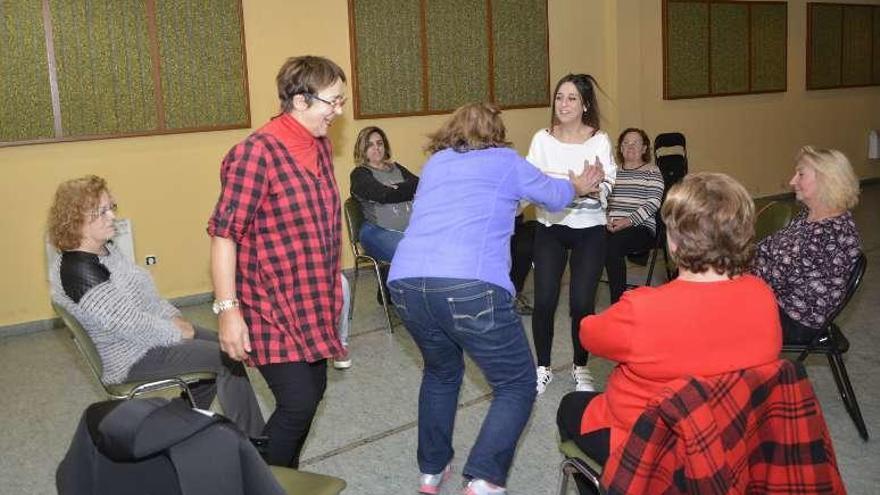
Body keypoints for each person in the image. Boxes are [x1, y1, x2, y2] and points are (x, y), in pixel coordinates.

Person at [387, 102, 601, 495]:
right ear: (496, 132)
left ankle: (431, 472)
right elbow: (554, 195)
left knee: (440, 372)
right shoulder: (504, 160)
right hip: (469, 285)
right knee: (517, 383)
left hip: (406, 283)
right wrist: (579, 185)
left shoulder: (436, 163)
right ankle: (484, 478)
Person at [556, 173, 781, 494]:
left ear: (674, 242)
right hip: (730, 440)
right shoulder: (762, 296)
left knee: (570, 407)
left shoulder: (645, 308)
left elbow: (588, 334)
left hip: (651, 448)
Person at [207, 55, 347, 469]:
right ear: (301, 101)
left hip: (312, 300)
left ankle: (277, 475)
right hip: (268, 304)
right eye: (333, 102)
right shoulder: (256, 154)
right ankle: (260, 480)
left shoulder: (318, 146)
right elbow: (224, 234)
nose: (339, 112)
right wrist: (228, 311)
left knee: (310, 396)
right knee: (299, 402)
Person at [48, 175, 264, 437]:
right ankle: (257, 445)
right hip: (129, 355)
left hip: (144, 339)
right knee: (227, 358)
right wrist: (176, 331)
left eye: (111, 208)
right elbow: (127, 323)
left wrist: (172, 317)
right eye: (101, 212)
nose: (112, 217)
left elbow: (143, 295)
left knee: (227, 345)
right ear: (76, 220)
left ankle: (180, 426)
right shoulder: (77, 269)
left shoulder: (104, 249)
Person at [527, 74, 617, 394]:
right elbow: (531, 185)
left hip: (589, 229)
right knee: (545, 300)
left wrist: (592, 190)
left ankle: (581, 366)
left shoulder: (599, 140)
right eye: (560, 97)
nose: (563, 104)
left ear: (585, 104)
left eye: (571, 98)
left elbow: (606, 184)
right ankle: (543, 366)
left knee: (581, 303)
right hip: (550, 227)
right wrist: (573, 188)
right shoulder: (542, 140)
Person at [753, 146, 862, 344]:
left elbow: (769, 279)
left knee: (713, 307)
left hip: (794, 321)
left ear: (826, 181)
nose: (792, 181)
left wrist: (726, 266)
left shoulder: (828, 235)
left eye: (801, 174)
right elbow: (770, 252)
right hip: (777, 300)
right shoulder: (811, 215)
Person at [604, 128, 664, 303]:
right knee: (588, 240)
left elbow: (653, 203)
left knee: (612, 245)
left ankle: (618, 303)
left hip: (640, 227)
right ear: (620, 148)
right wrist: (605, 218)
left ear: (644, 148)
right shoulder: (612, 172)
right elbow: (603, 200)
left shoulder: (652, 171)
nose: (630, 146)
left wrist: (627, 221)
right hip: (611, 224)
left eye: (635, 143)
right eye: (625, 143)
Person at [350, 126, 419, 263]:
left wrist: (396, 188)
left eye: (380, 143)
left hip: (411, 229)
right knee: (410, 253)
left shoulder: (397, 168)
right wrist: (405, 189)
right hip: (377, 231)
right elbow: (384, 195)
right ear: (362, 149)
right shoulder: (359, 174)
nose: (376, 148)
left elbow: (419, 185)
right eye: (370, 145)